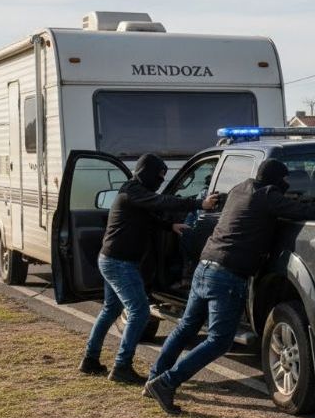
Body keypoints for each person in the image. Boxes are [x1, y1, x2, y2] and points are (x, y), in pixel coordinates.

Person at [144, 158, 315, 414]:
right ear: (276, 181)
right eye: (284, 182)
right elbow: (303, 211)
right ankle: (166, 383)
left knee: (186, 327)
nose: (286, 186)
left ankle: (154, 377)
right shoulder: (268, 197)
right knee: (219, 341)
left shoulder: (239, 189)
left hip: (205, 267)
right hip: (227, 276)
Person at [79, 153, 219, 384]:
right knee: (140, 311)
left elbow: (147, 216)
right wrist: (199, 204)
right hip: (119, 263)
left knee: (111, 310)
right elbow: (161, 202)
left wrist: (169, 225)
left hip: (112, 259)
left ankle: (90, 359)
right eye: (159, 176)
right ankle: (122, 366)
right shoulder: (132, 192)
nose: (160, 181)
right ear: (147, 173)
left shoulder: (134, 191)